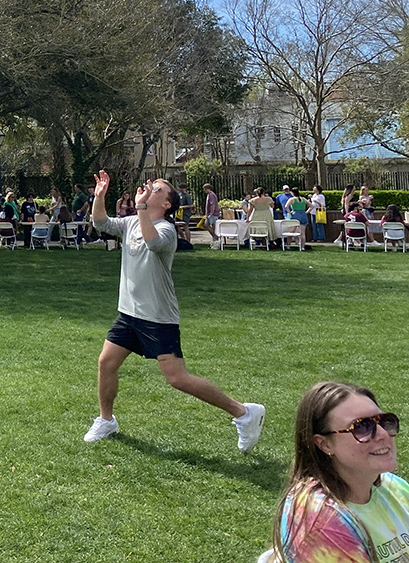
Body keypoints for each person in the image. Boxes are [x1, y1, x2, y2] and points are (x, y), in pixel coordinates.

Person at [82, 170, 265, 450]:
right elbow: (100, 222)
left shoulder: (167, 231)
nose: (148, 188)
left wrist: (141, 206)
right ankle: (106, 420)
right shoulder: (131, 222)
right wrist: (100, 196)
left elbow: (153, 242)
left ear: (167, 204)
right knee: (106, 363)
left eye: (156, 188)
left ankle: (244, 412)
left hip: (157, 317)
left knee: (177, 378)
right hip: (129, 313)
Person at [269, 382, 404, 563]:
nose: (382, 434)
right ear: (324, 444)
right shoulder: (322, 521)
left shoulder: (393, 486)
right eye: (361, 427)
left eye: (385, 422)